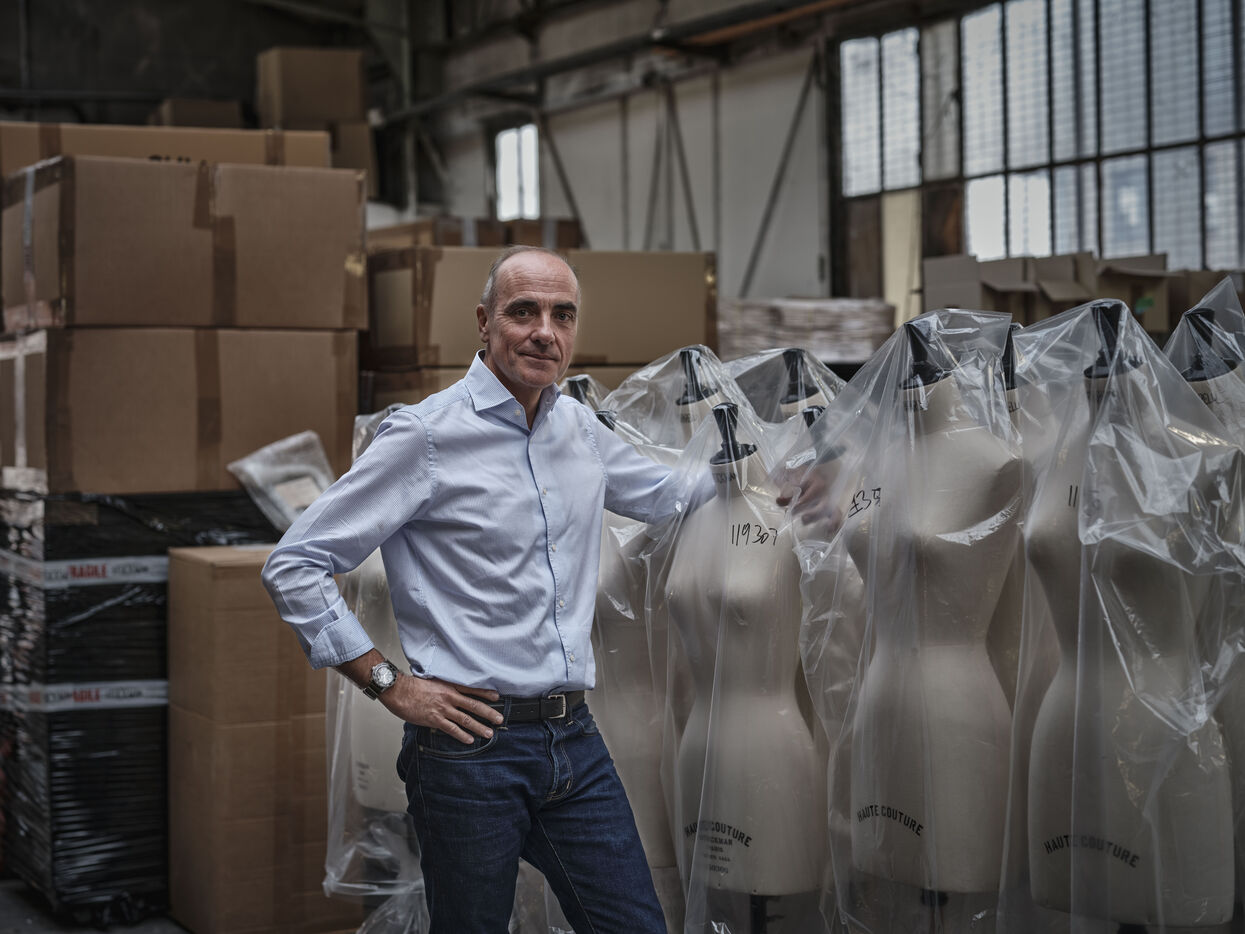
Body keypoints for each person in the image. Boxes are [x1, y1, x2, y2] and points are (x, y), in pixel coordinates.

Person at [261, 245, 681, 934]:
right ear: (484, 322)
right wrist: (388, 682)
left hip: (573, 737)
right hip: (469, 749)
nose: (544, 331)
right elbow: (295, 563)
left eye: (562, 315)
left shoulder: (580, 429)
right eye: (523, 312)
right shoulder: (425, 436)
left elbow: (669, 495)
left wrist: (787, 475)